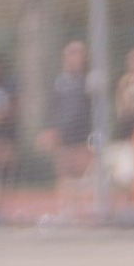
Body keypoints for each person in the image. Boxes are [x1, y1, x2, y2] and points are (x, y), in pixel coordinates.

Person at [38, 40, 94, 217]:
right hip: (64, 132)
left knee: (83, 173)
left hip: (83, 133)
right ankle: (66, 207)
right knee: (64, 173)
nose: (76, 58)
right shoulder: (59, 83)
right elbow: (51, 107)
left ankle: (83, 208)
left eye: (80, 54)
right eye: (73, 54)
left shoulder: (88, 82)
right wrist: (50, 130)